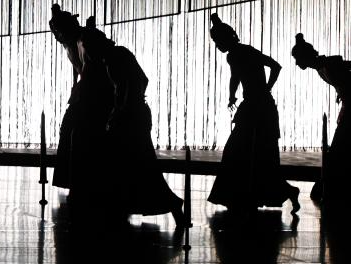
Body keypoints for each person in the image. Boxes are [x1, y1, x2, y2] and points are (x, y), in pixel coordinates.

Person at [78, 22, 185, 226]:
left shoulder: (115, 57)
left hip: (131, 116)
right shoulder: (113, 56)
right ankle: (159, 205)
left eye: (88, 48)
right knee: (134, 164)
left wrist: (122, 108)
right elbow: (136, 82)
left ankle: (168, 204)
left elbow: (133, 83)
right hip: (132, 114)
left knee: (138, 164)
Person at [207, 13, 299, 213]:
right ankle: (278, 192)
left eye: (217, 41)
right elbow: (236, 76)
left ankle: (249, 194)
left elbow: (275, 66)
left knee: (247, 151)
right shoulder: (234, 55)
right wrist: (232, 95)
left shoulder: (245, 51)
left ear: (226, 38)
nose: (217, 45)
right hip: (253, 106)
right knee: (253, 153)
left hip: (260, 108)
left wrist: (266, 88)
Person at [50, 13, 113, 214]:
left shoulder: (86, 38)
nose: (57, 37)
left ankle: (84, 183)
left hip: (97, 93)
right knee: (70, 133)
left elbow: (95, 66)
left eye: (59, 32)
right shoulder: (70, 42)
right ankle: (74, 180)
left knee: (81, 136)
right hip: (85, 91)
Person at [291, 33, 350, 209]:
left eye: (297, 59)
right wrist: (341, 91)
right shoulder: (321, 66)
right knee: (339, 149)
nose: (297, 63)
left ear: (305, 57)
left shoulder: (328, 64)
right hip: (347, 105)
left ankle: (333, 189)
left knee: (339, 149)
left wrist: (345, 91)